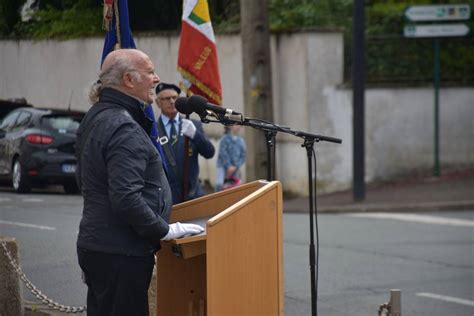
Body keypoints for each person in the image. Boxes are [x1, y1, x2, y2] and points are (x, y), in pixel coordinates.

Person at [75, 49, 204, 316]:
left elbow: (86, 179)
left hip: (101, 246)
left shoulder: (97, 115)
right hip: (121, 252)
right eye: (150, 72)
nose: (156, 79)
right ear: (128, 80)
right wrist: (163, 229)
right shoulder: (123, 126)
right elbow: (126, 197)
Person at [155, 82, 215, 204]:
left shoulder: (193, 125)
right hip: (167, 199)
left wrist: (195, 135)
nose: (172, 101)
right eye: (167, 98)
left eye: (175, 98)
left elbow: (209, 152)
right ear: (158, 102)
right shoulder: (153, 129)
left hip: (193, 195)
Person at [215, 124, 246, 191]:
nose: (238, 126)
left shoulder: (241, 141)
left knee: (237, 187)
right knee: (219, 184)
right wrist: (229, 166)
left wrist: (235, 166)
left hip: (235, 168)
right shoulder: (224, 139)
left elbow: (243, 156)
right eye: (236, 124)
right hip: (223, 166)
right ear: (230, 125)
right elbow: (223, 154)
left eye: (239, 124)